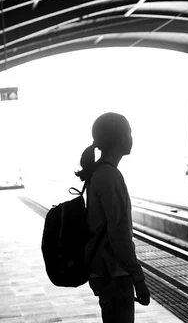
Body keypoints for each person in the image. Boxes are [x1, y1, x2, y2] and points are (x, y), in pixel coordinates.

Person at [76, 112, 150, 323]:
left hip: (103, 271)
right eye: (128, 132)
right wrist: (139, 279)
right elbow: (120, 236)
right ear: (119, 137)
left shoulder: (99, 173)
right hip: (115, 273)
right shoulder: (109, 176)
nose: (131, 138)